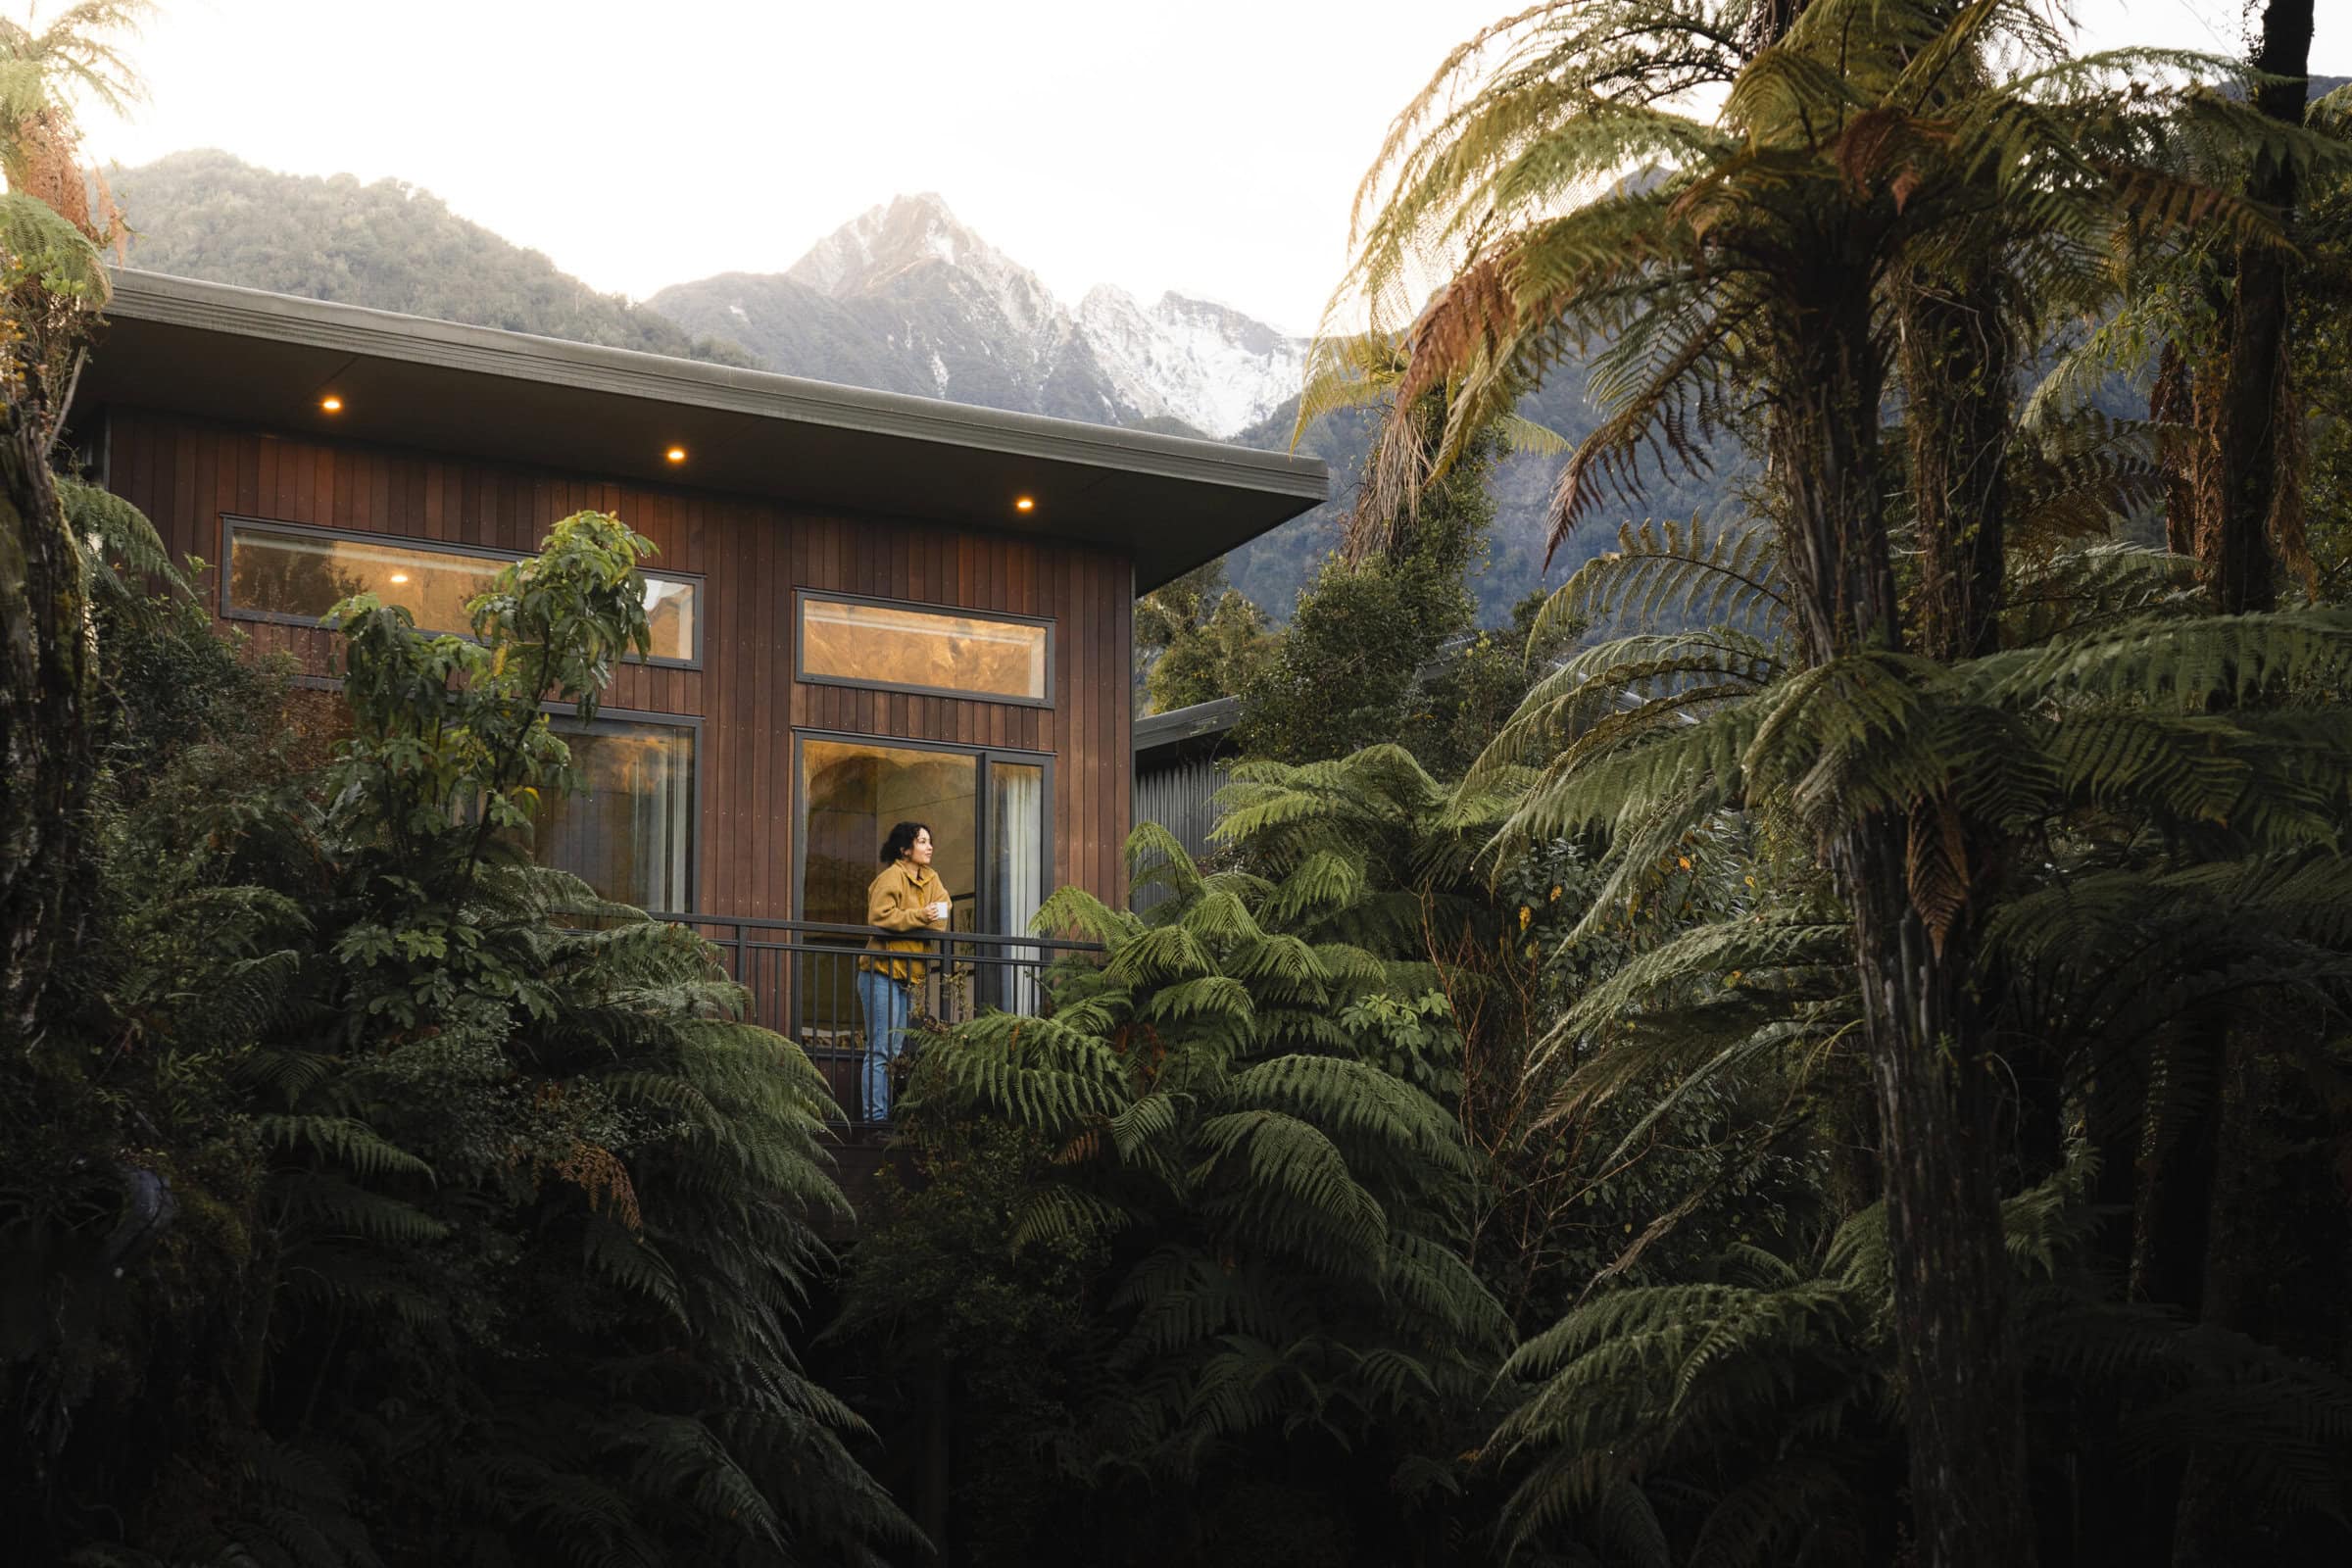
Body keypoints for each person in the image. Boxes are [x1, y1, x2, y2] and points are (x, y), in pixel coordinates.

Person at [856, 821, 951, 1122]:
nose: (929, 846)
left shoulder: (931, 878)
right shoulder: (891, 877)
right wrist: (920, 915)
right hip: (880, 971)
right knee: (881, 1048)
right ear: (904, 849)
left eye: (929, 840)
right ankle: (875, 1120)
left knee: (895, 1049)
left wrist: (922, 917)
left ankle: (883, 1117)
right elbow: (880, 917)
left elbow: (942, 916)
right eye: (922, 841)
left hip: (909, 975)